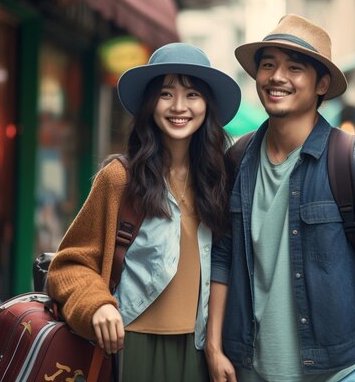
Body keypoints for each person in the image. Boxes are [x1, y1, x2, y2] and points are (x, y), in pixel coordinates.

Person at [206, 14, 355, 382]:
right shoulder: (237, 160)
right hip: (248, 366)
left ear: (322, 83)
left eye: (294, 67)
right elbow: (222, 257)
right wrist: (214, 345)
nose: (277, 77)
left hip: (338, 370)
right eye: (268, 64)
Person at [47, 42, 241, 382]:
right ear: (151, 104)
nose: (179, 106)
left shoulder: (219, 179)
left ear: (207, 104)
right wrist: (98, 304)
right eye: (166, 94)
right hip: (131, 347)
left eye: (192, 94)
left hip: (198, 351)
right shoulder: (119, 178)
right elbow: (70, 264)